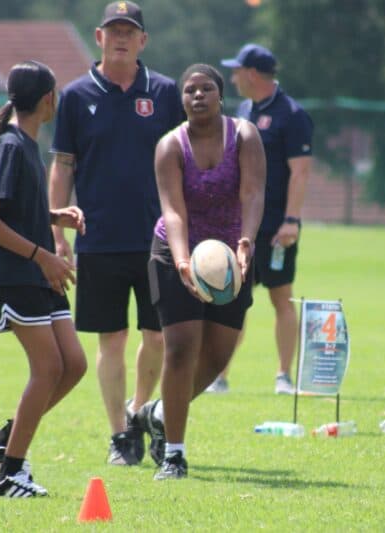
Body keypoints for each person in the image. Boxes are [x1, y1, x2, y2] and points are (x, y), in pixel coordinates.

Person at [48, 0, 183, 466]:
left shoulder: (166, 93)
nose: (121, 37)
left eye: (130, 30)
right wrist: (57, 228)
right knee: (111, 339)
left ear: (143, 40)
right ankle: (120, 435)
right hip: (98, 236)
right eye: (114, 29)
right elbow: (63, 164)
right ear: (99, 36)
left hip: (159, 237)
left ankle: (141, 410)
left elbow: (183, 163)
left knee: (159, 335)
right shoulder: (75, 94)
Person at [136, 64, 265, 479]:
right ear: (182, 100)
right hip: (178, 253)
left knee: (216, 357)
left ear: (220, 95)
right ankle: (174, 453)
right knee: (180, 349)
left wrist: (245, 242)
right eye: (189, 90)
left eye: (206, 88)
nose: (197, 96)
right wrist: (182, 261)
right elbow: (173, 212)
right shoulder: (169, 146)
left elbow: (252, 193)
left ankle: (157, 412)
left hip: (231, 255)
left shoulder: (244, 135)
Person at [0, 60, 87, 497]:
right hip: (14, 273)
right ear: (47, 100)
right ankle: (8, 474)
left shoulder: (26, 144)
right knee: (49, 367)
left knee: (73, 365)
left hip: (36, 272)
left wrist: (56, 217)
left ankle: (3, 441)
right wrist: (44, 256)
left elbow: (16, 210)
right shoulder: (11, 147)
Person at [208, 44, 313, 395]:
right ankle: (218, 376)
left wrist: (292, 220)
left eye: (237, 71)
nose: (233, 77)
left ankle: (284, 376)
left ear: (252, 73)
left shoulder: (292, 114)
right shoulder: (242, 110)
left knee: (281, 298)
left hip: (274, 229)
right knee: (231, 299)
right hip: (239, 226)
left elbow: (300, 173)